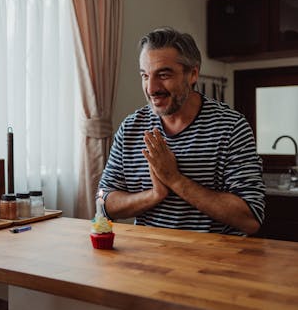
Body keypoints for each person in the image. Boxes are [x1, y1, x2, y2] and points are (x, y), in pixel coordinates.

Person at [98, 27, 265, 236]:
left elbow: (251, 218)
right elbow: (103, 202)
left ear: (193, 74)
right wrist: (154, 195)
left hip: (212, 262)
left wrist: (174, 179)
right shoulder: (131, 128)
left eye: (164, 74)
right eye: (145, 75)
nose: (151, 88)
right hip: (147, 261)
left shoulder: (231, 128)